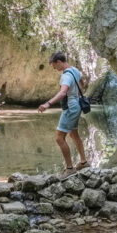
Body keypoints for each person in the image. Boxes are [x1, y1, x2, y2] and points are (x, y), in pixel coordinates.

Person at [37, 51, 89, 179]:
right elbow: (81, 84)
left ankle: (70, 169)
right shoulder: (75, 70)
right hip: (76, 105)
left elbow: (62, 93)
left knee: (59, 138)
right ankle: (83, 162)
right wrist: (76, 96)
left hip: (70, 108)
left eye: (54, 66)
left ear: (59, 62)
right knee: (73, 133)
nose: (55, 69)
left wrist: (48, 104)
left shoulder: (66, 76)